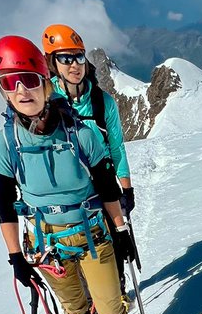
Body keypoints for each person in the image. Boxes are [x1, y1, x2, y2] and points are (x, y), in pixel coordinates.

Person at [0, 35, 146, 314]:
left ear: (45, 82)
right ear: (3, 92)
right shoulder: (4, 145)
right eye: (9, 83)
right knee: (74, 306)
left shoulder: (82, 134)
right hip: (46, 245)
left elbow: (106, 187)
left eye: (28, 80)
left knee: (108, 301)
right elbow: (4, 203)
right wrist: (15, 257)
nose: (21, 91)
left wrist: (120, 232)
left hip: (93, 233)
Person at [42, 23, 134, 284]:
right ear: (53, 63)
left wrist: (126, 190)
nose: (74, 65)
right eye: (65, 58)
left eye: (78, 57)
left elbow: (116, 148)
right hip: (67, 192)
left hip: (103, 185)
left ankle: (114, 296)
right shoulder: (45, 102)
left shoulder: (103, 102)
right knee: (74, 251)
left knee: (113, 248)